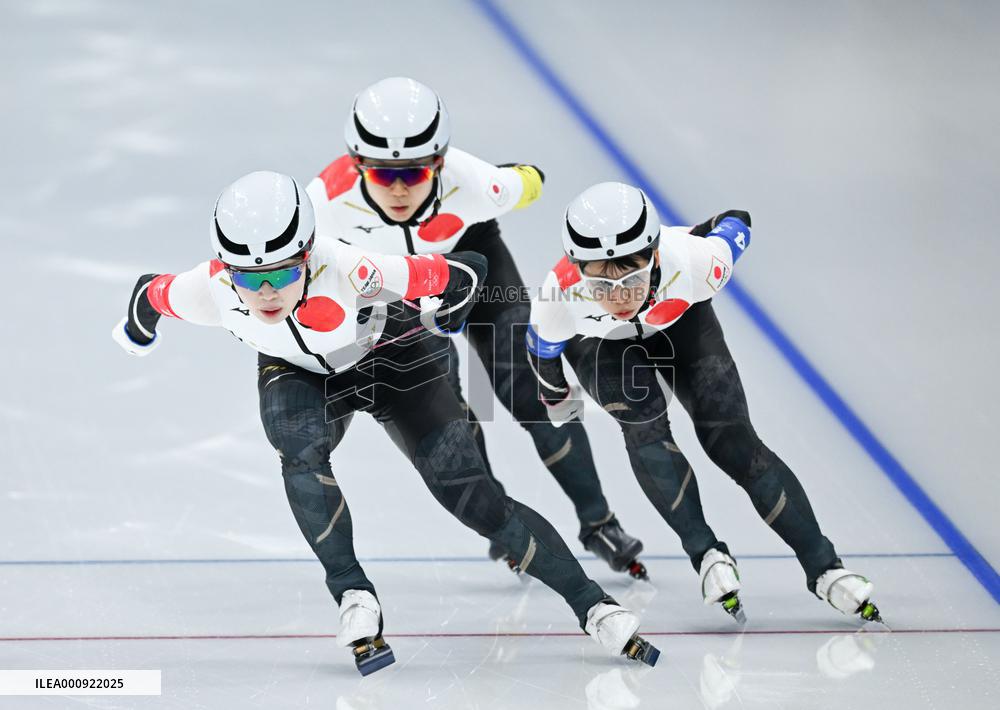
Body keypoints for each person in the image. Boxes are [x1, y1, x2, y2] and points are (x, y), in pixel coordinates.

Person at [111, 170, 660, 675]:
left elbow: (467, 273)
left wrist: (449, 316)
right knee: (297, 450)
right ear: (226, 270)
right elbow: (148, 294)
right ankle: (354, 594)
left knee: (475, 502)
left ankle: (593, 607)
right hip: (300, 375)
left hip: (394, 357)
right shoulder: (208, 290)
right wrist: (139, 331)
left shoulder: (355, 269)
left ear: (307, 253)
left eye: (281, 270)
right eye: (248, 278)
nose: (266, 292)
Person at [305, 77, 647, 579]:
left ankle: (598, 520)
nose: (399, 188)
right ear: (357, 165)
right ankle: (503, 526)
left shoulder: (477, 183)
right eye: (382, 175)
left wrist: (515, 177)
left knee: (535, 392)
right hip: (396, 289)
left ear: (440, 162)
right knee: (450, 410)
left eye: (415, 171)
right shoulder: (322, 204)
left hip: (476, 265)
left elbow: (533, 179)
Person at [525, 181, 882, 624]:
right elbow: (542, 353)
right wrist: (558, 400)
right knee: (644, 426)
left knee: (732, 441)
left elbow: (738, 221)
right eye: (599, 281)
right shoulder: (558, 299)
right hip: (601, 346)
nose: (617, 295)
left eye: (631, 277)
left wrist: (703, 230)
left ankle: (825, 567)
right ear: (578, 270)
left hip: (682, 322)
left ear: (656, 256)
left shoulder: (698, 262)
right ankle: (705, 552)